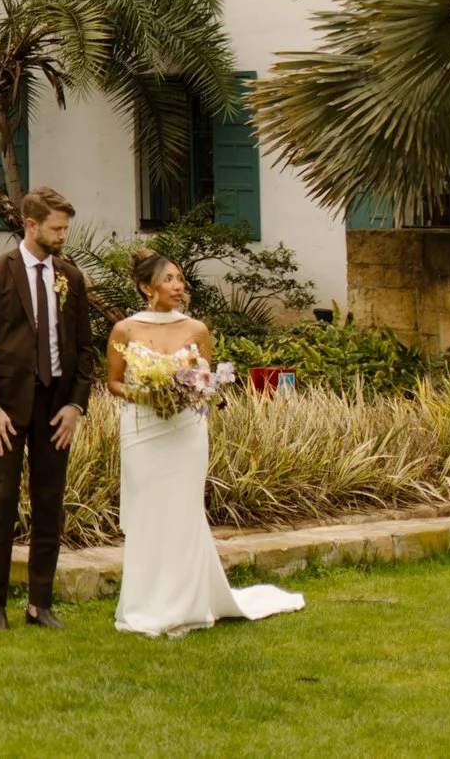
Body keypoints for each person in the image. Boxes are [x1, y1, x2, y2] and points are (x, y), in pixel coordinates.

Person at [108, 249, 306, 636]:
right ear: (146, 287)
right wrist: (145, 393)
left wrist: (185, 393)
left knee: (184, 512)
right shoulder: (125, 330)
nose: (178, 286)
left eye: (180, 279)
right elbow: (114, 382)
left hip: (185, 432)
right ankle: (144, 604)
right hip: (142, 431)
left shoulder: (196, 329)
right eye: (169, 279)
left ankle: (189, 603)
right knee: (148, 513)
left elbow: (205, 382)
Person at [0, 186, 93, 631]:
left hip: (56, 407)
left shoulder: (70, 277)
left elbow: (83, 348)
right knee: (2, 502)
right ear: (31, 225)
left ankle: (40, 604)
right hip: (7, 408)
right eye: (57, 228)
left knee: (49, 503)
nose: (63, 236)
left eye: (65, 228)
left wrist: (77, 404)